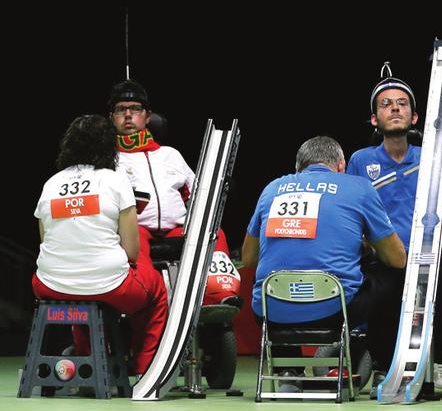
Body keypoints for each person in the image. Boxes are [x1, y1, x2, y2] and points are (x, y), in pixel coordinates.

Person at [345, 63, 442, 384]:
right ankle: (381, 365)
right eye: (386, 104)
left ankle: (441, 363)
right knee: (382, 293)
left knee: (441, 288)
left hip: (427, 258)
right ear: (375, 119)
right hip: (384, 258)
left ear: (414, 118)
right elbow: (349, 210)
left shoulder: (429, 157)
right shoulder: (361, 160)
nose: (395, 108)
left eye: (402, 104)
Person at [241, 136, 406, 387]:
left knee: (264, 278)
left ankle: (288, 372)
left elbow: (248, 257)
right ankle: (383, 367)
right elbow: (397, 258)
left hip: (272, 312)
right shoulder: (359, 187)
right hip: (334, 309)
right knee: (393, 274)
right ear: (341, 165)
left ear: (297, 168)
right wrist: (364, 249)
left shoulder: (272, 189)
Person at [32, 114, 168, 375]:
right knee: (157, 293)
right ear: (109, 146)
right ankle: (145, 370)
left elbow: (45, 240)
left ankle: (88, 365)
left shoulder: (50, 184)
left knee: (82, 295)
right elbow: (131, 250)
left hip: (49, 285)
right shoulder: (116, 180)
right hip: (109, 287)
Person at [108, 79, 240, 306]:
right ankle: (146, 297)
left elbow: (197, 194)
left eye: (135, 109)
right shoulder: (109, 160)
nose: (128, 115)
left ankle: (220, 296)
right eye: (121, 110)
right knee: (133, 238)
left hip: (176, 229)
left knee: (213, 232)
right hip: (136, 229)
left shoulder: (170, 155)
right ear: (112, 118)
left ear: (147, 116)